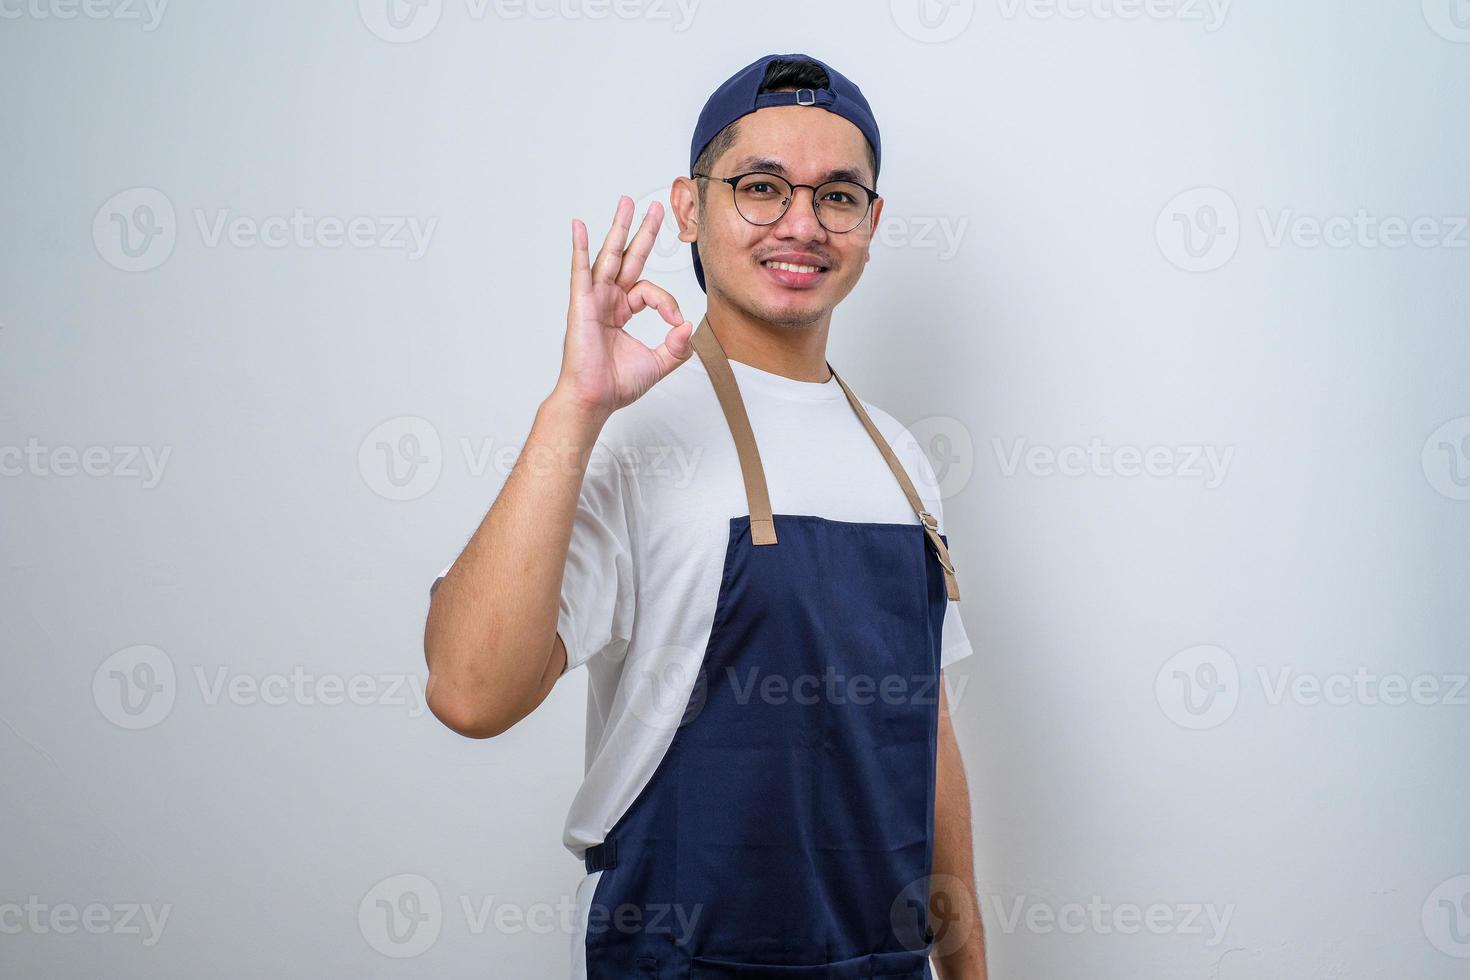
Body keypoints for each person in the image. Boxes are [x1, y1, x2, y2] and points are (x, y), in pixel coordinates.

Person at [424, 52, 989, 979]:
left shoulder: (900, 459)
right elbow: (469, 693)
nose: (801, 225)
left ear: (871, 222)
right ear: (691, 206)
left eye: (838, 196)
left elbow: (927, 739)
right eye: (761, 188)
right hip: (674, 957)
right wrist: (572, 408)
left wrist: (966, 972)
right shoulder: (628, 439)